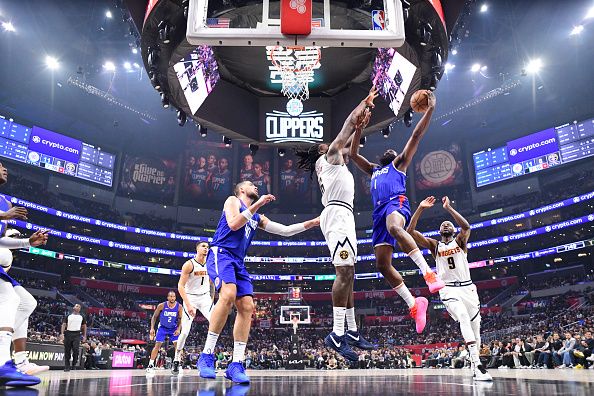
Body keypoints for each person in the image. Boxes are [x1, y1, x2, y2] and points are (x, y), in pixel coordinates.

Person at [197, 181, 319, 384]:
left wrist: (312, 223)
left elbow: (285, 231)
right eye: (251, 184)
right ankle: (207, 355)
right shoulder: (233, 201)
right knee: (227, 295)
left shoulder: (256, 216)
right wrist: (259, 204)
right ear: (241, 189)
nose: (256, 186)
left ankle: (236, 364)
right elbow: (233, 224)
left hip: (238, 261)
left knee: (247, 306)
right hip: (222, 253)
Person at [295, 87, 378, 362]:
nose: (334, 143)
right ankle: (337, 333)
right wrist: (362, 103)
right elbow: (345, 129)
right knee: (343, 271)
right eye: (329, 143)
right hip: (337, 216)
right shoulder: (329, 157)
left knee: (350, 273)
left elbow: (351, 139)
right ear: (324, 152)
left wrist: (361, 126)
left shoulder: (335, 164)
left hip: (344, 216)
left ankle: (352, 331)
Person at [349, 91, 443, 333]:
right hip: (378, 212)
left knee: (395, 227)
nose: (391, 149)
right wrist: (359, 128)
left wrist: (430, 109)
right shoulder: (373, 170)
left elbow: (416, 135)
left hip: (396, 203)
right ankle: (415, 304)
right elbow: (352, 154)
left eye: (393, 149)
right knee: (381, 264)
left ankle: (428, 273)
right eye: (388, 150)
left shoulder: (399, 164)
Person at [406, 195, 492, 381]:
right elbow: (410, 231)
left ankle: (474, 364)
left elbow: (467, 227)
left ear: (452, 229)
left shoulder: (460, 241)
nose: (446, 225)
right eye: (443, 224)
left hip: (468, 289)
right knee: (462, 316)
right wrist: (420, 208)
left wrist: (449, 209)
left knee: (476, 330)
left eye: (448, 224)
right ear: (439, 231)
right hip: (449, 289)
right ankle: (478, 365)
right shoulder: (435, 245)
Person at [0, 182, 48, 386]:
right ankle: (3, 362)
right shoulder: (5, 209)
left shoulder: (5, 201)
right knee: (11, 298)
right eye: (0, 166)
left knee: (27, 303)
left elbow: (0, 240)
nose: (4, 170)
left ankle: (17, 360)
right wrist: (3, 216)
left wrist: (27, 242)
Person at [173, 241, 215, 374]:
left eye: (207, 247)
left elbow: (212, 283)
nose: (206, 249)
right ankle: (176, 358)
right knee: (185, 332)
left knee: (216, 323)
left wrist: (212, 298)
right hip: (190, 297)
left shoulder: (210, 264)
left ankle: (207, 357)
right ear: (197, 248)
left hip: (205, 297)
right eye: (203, 246)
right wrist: (189, 304)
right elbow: (180, 286)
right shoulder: (189, 264)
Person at [146, 291, 182, 375]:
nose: (172, 298)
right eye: (170, 296)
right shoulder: (161, 305)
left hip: (173, 328)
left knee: (178, 346)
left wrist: (179, 329)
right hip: (162, 327)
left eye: (173, 296)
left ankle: (177, 363)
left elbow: (181, 319)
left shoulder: (179, 307)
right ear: (167, 297)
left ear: (175, 298)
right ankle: (150, 365)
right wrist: (152, 328)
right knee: (157, 345)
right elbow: (154, 317)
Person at [60, 304, 87, 372]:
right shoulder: (68, 316)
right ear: (73, 307)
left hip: (77, 334)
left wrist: (84, 336)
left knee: (76, 350)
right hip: (68, 333)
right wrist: (62, 334)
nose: (77, 307)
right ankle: (67, 366)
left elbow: (84, 327)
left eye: (78, 306)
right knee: (67, 350)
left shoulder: (82, 316)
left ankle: (74, 364)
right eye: (76, 306)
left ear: (80, 309)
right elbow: (63, 324)